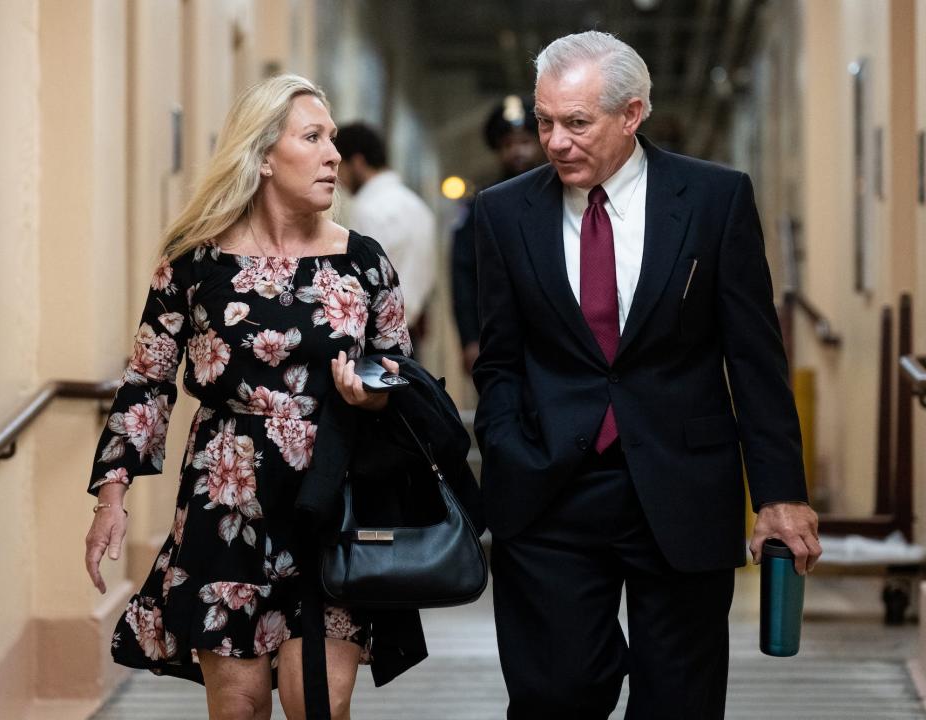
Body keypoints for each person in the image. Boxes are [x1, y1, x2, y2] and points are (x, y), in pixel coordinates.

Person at [472, 31, 822, 719]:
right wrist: (508, 443)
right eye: (546, 121)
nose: (554, 141)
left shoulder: (715, 200)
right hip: (550, 489)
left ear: (632, 114)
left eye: (577, 123)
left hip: (681, 483)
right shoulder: (504, 212)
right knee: (558, 692)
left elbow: (754, 358)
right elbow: (500, 360)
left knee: (679, 700)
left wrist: (779, 493)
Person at [84, 74, 418, 720]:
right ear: (264, 156)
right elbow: (148, 379)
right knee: (237, 705)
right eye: (313, 138)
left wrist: (376, 398)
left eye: (334, 140)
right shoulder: (194, 263)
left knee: (319, 700)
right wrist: (112, 496)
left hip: (332, 499)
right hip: (225, 502)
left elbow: (400, 375)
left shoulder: (364, 263)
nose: (332, 155)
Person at [451, 95, 544, 374]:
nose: (517, 152)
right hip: (496, 335)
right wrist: (469, 338)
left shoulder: (563, 196)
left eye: (525, 142)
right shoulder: (482, 204)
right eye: (508, 145)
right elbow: (463, 273)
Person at [334, 122, 436, 352]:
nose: (338, 178)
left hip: (375, 335)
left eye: (340, 166)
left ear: (357, 162)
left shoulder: (367, 209)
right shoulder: (418, 206)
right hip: (411, 333)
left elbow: (359, 280)